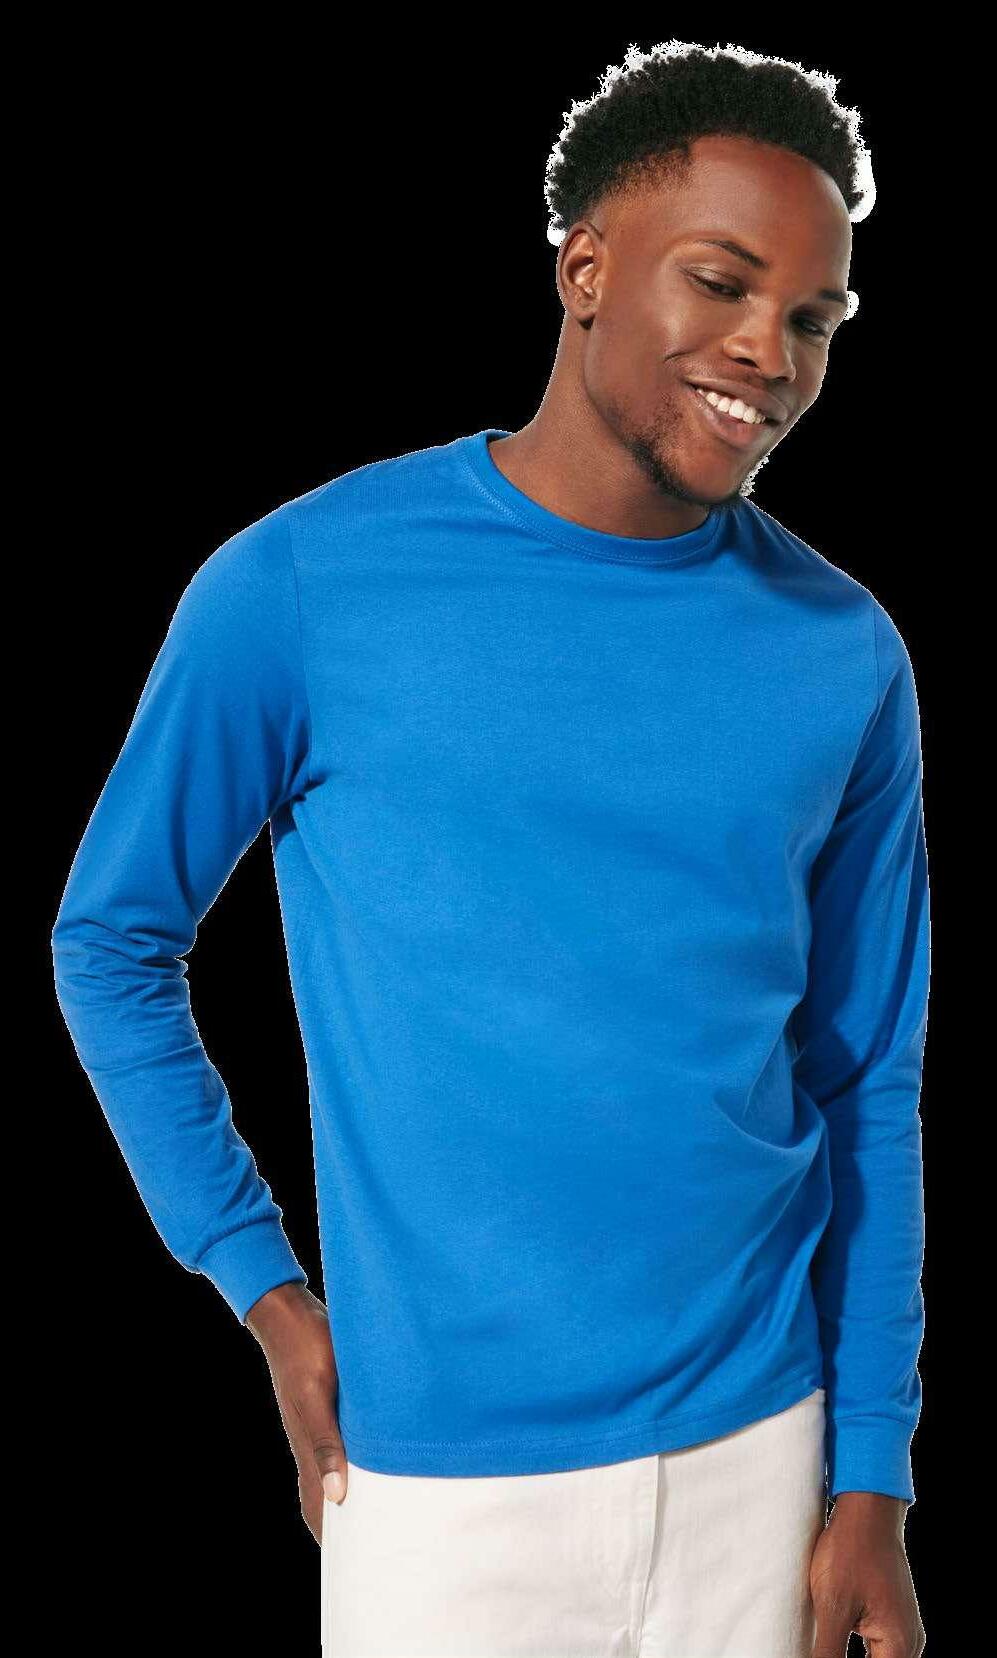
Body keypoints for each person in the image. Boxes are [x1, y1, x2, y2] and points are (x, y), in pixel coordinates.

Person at [51, 38, 929, 1658]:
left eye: (813, 318)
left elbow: (863, 1073)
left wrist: (870, 1467)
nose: (769, 351)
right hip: (439, 1485)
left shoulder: (842, 650)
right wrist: (260, 1285)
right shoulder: (304, 587)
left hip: (761, 1452)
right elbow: (111, 940)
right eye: (721, 281)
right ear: (584, 269)